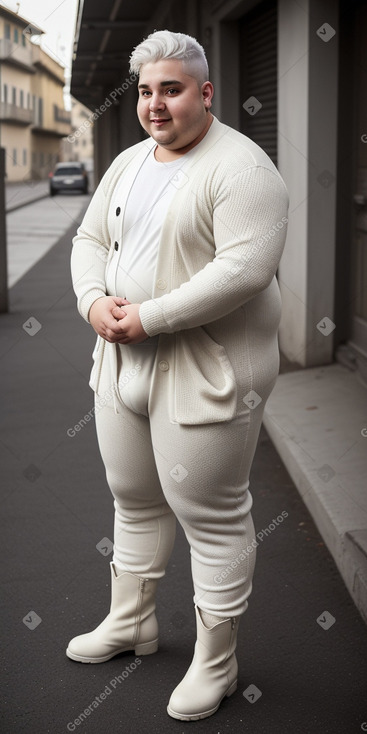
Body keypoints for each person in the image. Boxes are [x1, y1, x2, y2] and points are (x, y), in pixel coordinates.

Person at [67, 29, 289, 722]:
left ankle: (215, 664)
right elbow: (89, 239)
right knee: (131, 497)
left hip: (206, 370)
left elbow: (244, 270)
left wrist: (149, 317)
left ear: (203, 92)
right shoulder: (130, 162)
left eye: (170, 89)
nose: (155, 105)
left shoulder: (245, 168)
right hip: (121, 363)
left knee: (213, 515)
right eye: (145, 92)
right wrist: (94, 301)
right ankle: (132, 622)